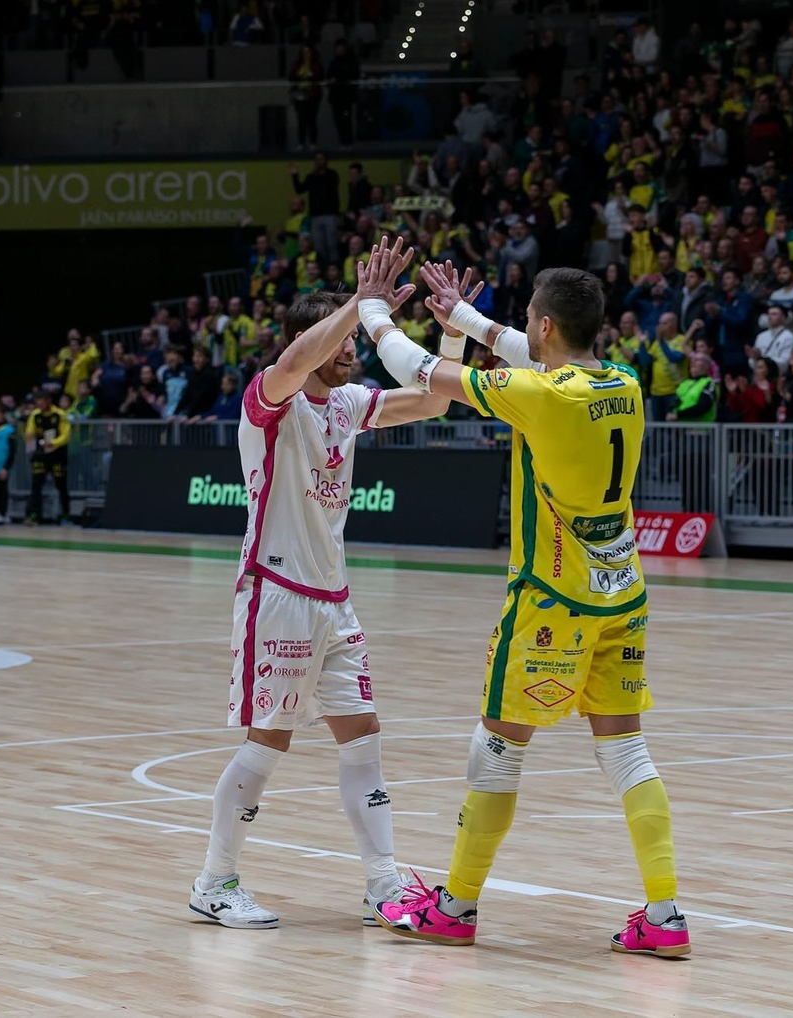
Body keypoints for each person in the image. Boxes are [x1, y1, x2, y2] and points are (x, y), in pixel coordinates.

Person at [360, 263, 687, 958]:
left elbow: (420, 372)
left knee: (497, 749)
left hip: (551, 598)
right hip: (622, 593)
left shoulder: (540, 394)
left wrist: (370, 313)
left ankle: (456, 905)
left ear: (544, 325)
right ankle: (665, 916)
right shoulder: (623, 383)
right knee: (627, 751)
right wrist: (466, 320)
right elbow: (532, 359)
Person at [190, 238, 456, 931]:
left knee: (363, 736)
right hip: (275, 593)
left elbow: (432, 404)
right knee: (267, 741)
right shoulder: (270, 399)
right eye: (346, 342)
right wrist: (358, 305)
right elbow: (293, 362)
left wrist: (451, 331)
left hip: (334, 602)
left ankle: (382, 886)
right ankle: (215, 883)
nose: (355, 352)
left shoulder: (349, 404)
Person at [24, 392, 72, 525]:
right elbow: (29, 432)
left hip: (57, 454)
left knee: (61, 485)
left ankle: (65, 515)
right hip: (41, 454)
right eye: (37, 400)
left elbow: (66, 435)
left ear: (48, 401)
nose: (38, 403)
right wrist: (30, 439)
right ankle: (33, 515)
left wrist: (53, 443)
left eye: (40, 400)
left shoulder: (60, 415)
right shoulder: (35, 415)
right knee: (36, 485)